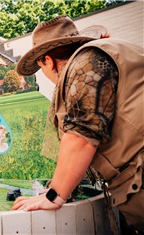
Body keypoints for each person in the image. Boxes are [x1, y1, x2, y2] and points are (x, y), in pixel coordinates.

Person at [12, 15, 143, 232]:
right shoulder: (109, 52)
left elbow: (82, 135)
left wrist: (55, 194)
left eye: (41, 67)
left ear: (48, 61)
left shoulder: (85, 63)